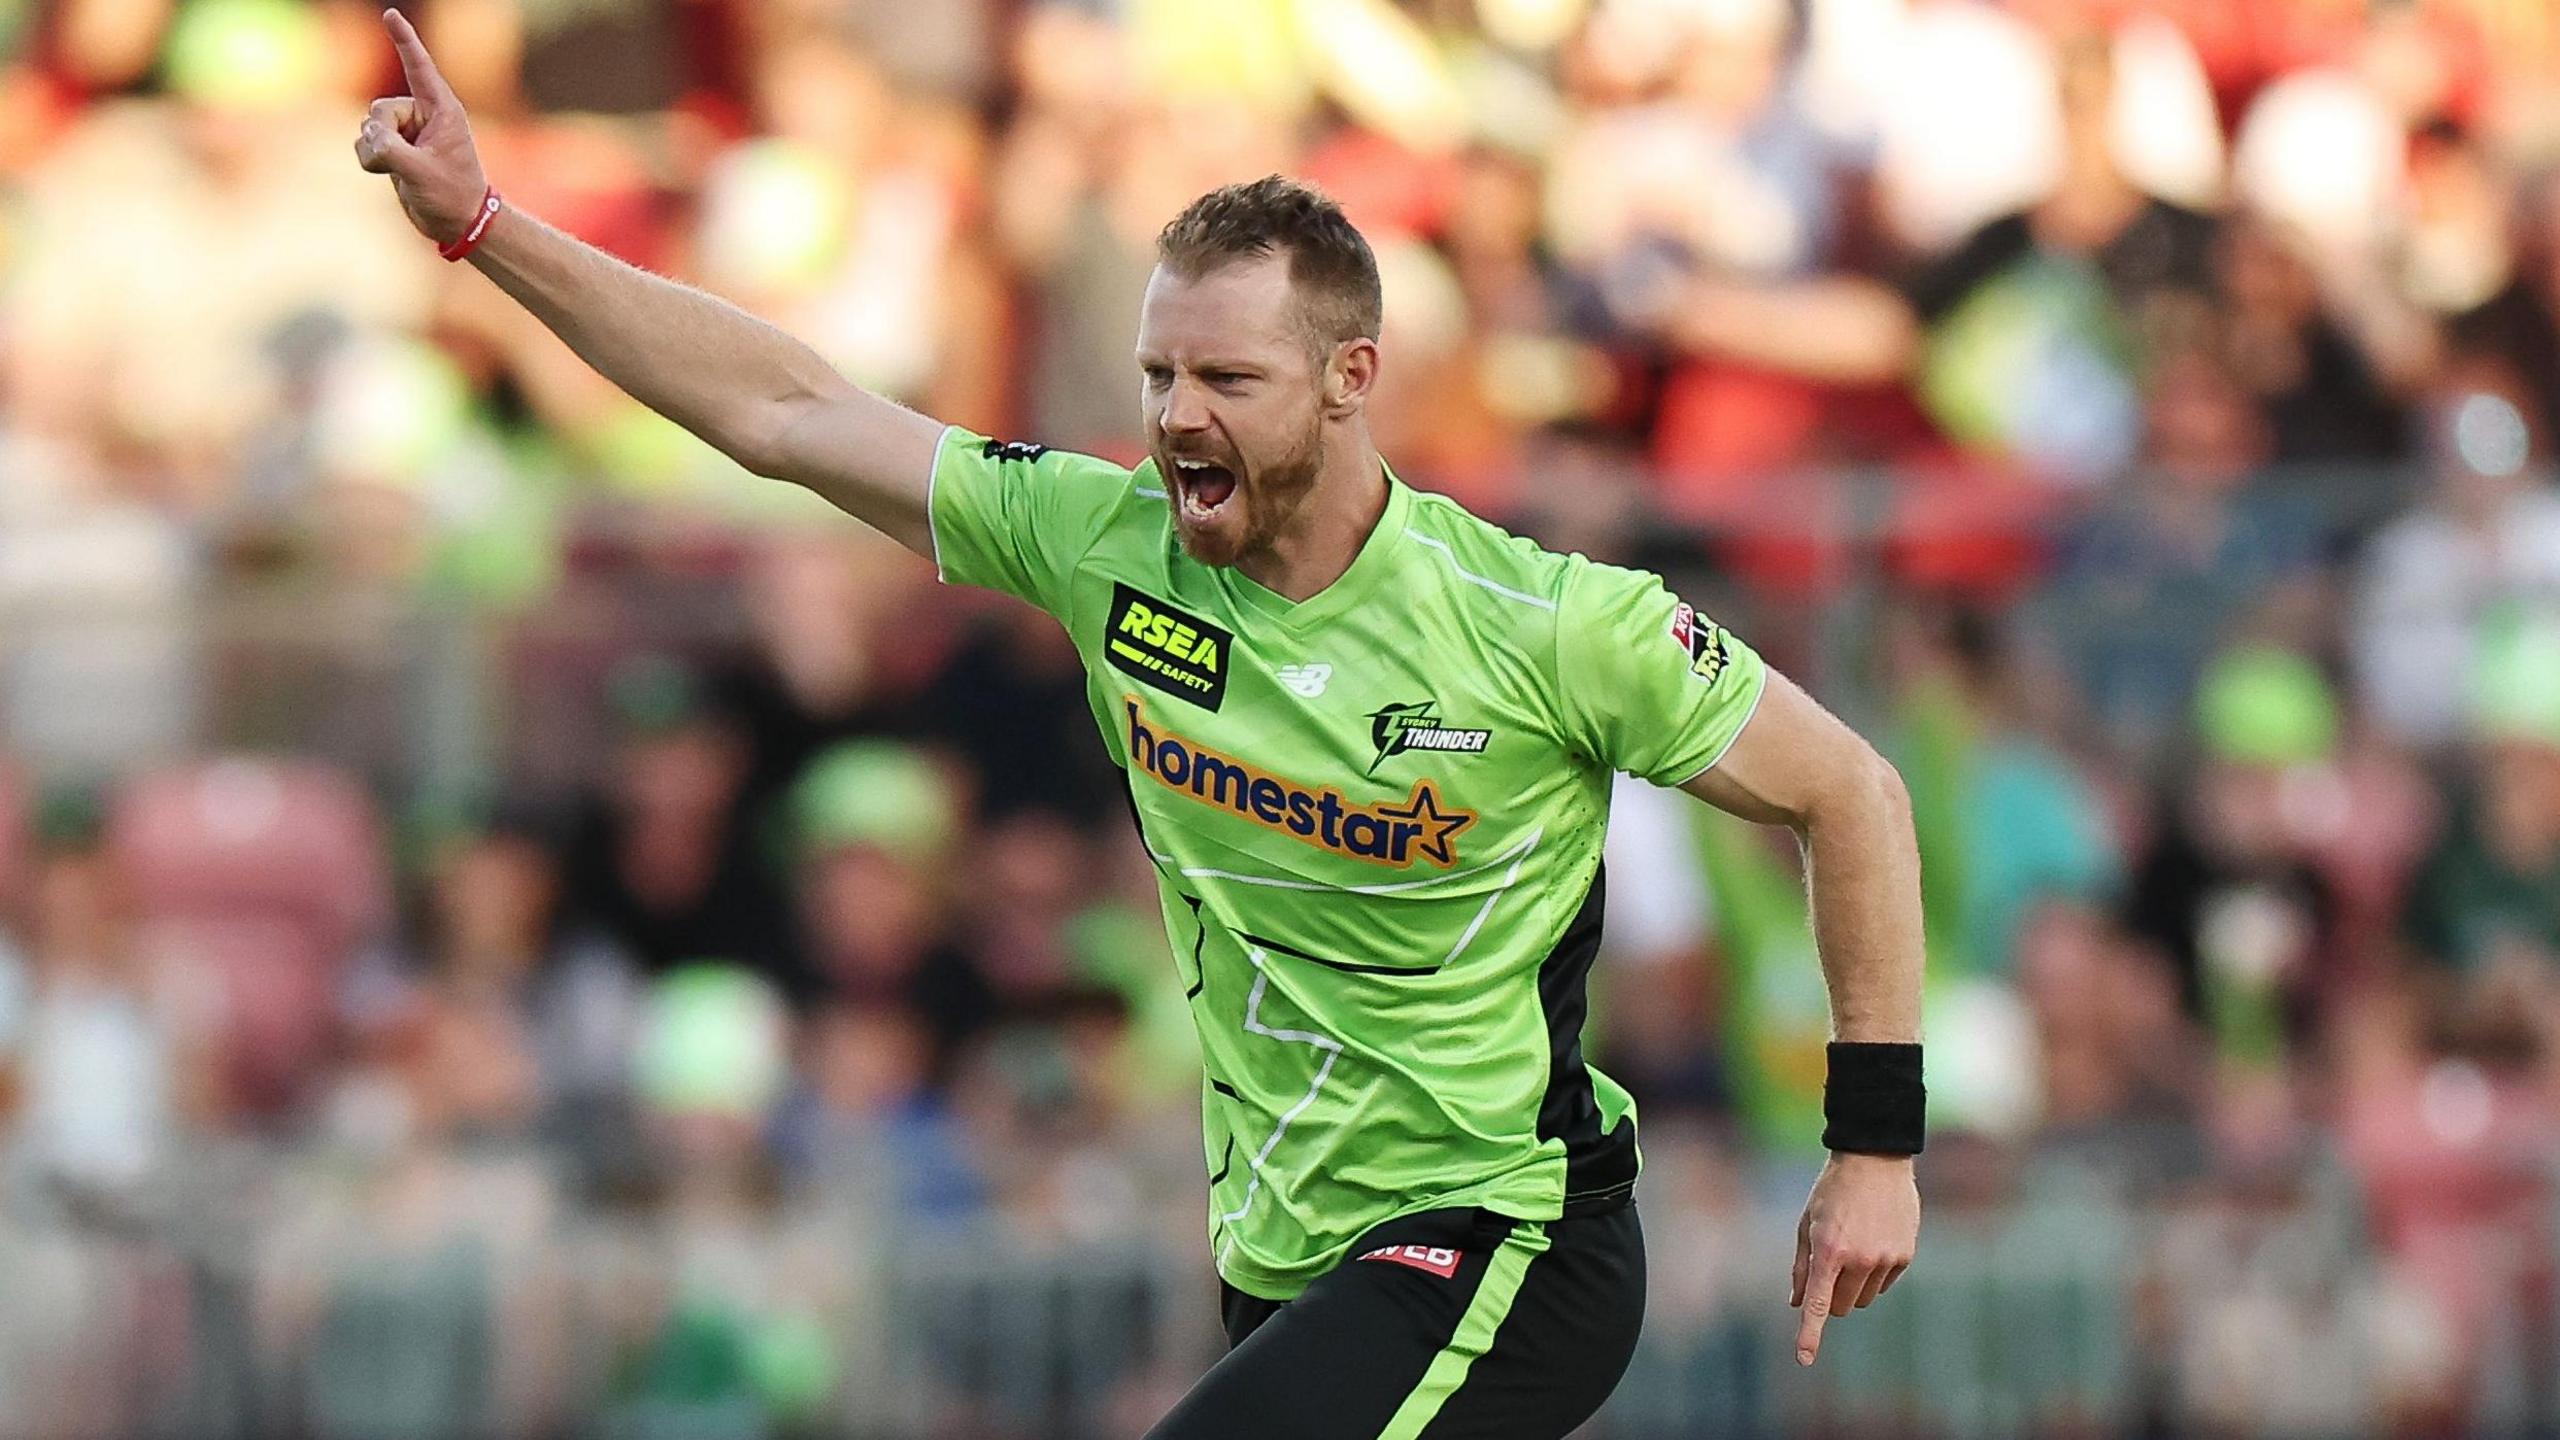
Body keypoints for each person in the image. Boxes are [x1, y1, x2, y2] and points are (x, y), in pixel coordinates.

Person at [352, 14, 1925, 1434]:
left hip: (1508, 1235)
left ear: (1350, 380)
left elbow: (1851, 793)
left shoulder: (1546, 625)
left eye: (1226, 376)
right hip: (1282, 1247)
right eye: (1160, 369)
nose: (1177, 414)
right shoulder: (1103, 542)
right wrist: (487, 230)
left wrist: (1873, 1150)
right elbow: (786, 411)